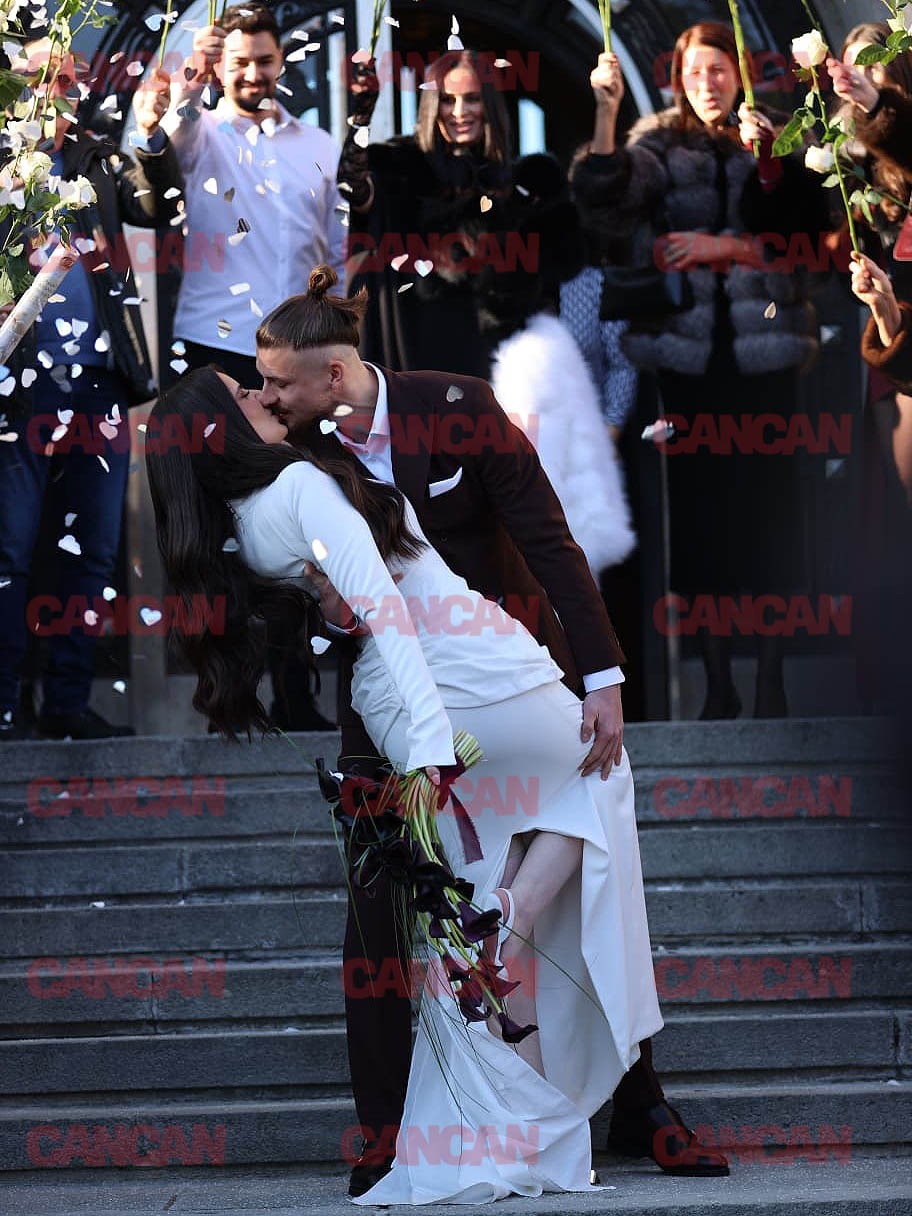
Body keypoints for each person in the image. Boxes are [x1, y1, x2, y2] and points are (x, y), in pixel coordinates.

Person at [250, 268, 728, 1190]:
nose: (266, 396)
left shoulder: (460, 407)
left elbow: (549, 538)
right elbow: (279, 593)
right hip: (387, 705)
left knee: (598, 825)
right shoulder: (290, 453)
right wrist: (327, 623)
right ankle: (385, 1129)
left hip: (499, 680)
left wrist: (602, 677)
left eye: (278, 382)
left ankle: (640, 1104)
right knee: (377, 905)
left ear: (335, 373)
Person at [572, 23, 831, 721]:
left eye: (718, 70)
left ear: (740, 73)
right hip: (686, 367)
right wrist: (605, 112)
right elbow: (604, 201)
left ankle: (771, 678)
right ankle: (717, 682)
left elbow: (809, 244)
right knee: (700, 523)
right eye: (694, 73)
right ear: (677, 80)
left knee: (769, 517)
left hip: (766, 356)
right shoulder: (658, 144)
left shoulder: (779, 136)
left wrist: (733, 239)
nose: (707, 84)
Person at [161, 2, 346, 730]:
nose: (253, 73)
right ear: (222, 65)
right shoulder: (200, 135)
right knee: (211, 530)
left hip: (296, 360)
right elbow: (159, 141)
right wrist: (189, 78)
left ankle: (299, 696)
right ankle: (227, 699)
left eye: (264, 60)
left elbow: (335, 254)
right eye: (239, 61)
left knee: (302, 523)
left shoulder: (321, 146)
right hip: (214, 353)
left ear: (280, 62)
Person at [0, 37, 181, 741]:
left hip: (98, 384)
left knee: (94, 547)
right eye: (44, 77)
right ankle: (5, 707)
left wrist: (155, 132)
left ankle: (68, 704)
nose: (61, 89)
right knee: (11, 548)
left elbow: (156, 206)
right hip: (18, 386)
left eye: (71, 79)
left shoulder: (96, 157)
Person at [339, 49, 583, 378]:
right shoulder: (399, 168)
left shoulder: (519, 185)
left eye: (472, 99)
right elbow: (352, 186)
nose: (459, 112)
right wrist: (362, 114)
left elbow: (553, 278)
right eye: (447, 100)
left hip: (496, 365)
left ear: (489, 105)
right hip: (417, 356)